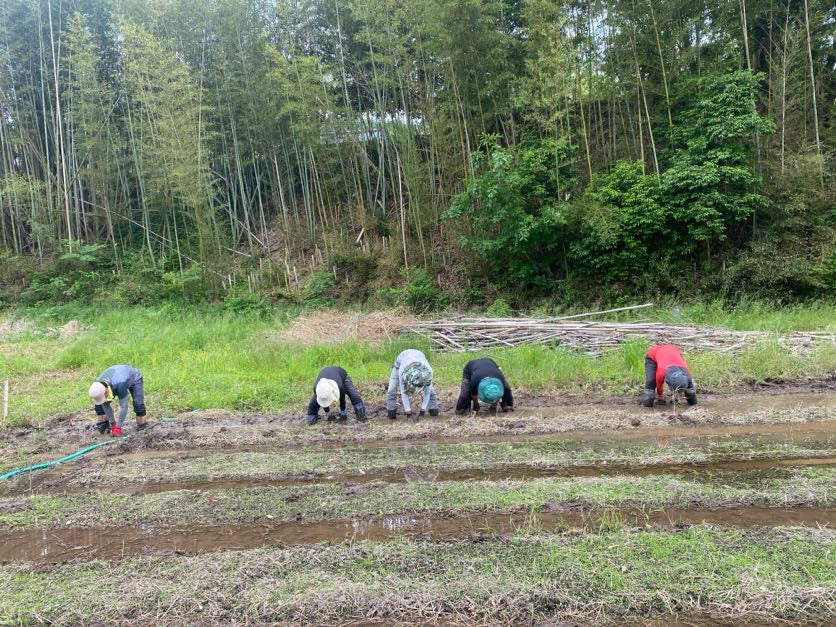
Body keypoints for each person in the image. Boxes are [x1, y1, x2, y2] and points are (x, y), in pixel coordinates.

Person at [88, 364, 147, 437]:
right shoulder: (98, 386)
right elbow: (105, 405)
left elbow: (124, 407)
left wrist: (118, 426)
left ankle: (142, 429)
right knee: (99, 407)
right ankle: (105, 429)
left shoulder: (120, 385)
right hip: (115, 379)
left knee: (138, 405)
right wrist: (113, 423)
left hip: (134, 378)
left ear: (106, 391)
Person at [386, 349, 438, 420]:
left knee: (430, 390)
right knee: (391, 389)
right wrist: (409, 414)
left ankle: (433, 409)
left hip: (418, 356)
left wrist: (422, 412)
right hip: (401, 362)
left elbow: (427, 392)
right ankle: (391, 412)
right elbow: (403, 392)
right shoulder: (402, 372)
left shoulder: (428, 372)